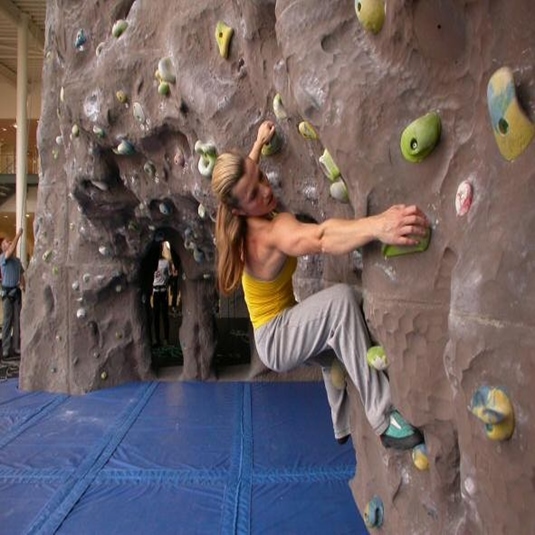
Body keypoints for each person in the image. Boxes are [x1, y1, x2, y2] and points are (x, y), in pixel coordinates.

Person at [211, 120, 429, 450]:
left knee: (335, 348)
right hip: (276, 337)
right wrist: (378, 225)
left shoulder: (241, 204)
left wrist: (257, 142)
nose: (266, 191)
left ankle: (341, 424)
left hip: (277, 326)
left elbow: (248, 172)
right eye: (254, 194)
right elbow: (322, 237)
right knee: (341, 303)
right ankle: (384, 420)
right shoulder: (271, 232)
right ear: (238, 210)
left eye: (262, 179)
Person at [0, 228, 25, 363]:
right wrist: (18, 235)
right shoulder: (3, 258)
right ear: (3, 247)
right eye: (7, 242)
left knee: (17, 321)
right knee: (7, 322)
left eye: (10, 242)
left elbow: (21, 274)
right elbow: (10, 252)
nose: (10, 243)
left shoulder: (17, 261)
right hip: (7, 293)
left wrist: (23, 285)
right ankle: (5, 348)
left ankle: (16, 347)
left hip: (16, 292)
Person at [151, 242, 170, 347]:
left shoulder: (165, 262)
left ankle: (166, 338)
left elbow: (168, 276)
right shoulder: (153, 263)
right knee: (156, 316)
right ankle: (157, 339)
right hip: (156, 291)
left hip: (162, 291)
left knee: (164, 315)